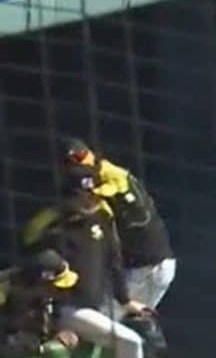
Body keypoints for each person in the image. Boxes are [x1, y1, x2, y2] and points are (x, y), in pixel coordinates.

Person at [23, 166, 148, 358]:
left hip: (93, 307)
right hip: (66, 310)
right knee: (131, 342)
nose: (88, 200)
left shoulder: (103, 219)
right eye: (81, 196)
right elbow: (35, 274)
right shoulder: (54, 228)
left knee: (142, 332)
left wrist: (125, 300)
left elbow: (114, 263)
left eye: (91, 195)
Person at [62, 138, 176, 314]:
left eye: (80, 157)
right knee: (129, 321)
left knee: (100, 320)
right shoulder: (100, 191)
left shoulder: (113, 182)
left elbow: (135, 220)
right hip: (148, 267)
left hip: (149, 268)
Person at [0, 250, 80, 357]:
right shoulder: (5, 289)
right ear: (38, 283)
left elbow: (49, 316)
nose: (64, 293)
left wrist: (60, 334)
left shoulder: (42, 294)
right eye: (57, 288)